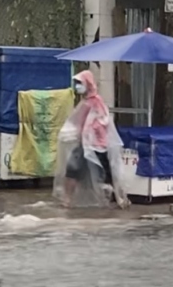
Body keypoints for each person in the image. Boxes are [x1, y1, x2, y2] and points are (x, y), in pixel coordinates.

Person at [54, 70, 129, 208]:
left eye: (80, 83)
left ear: (88, 84)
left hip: (96, 145)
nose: (77, 86)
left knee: (103, 173)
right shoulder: (85, 102)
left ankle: (119, 198)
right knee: (73, 170)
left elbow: (103, 121)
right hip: (84, 143)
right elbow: (77, 122)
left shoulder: (96, 102)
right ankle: (67, 199)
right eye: (76, 83)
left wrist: (90, 132)